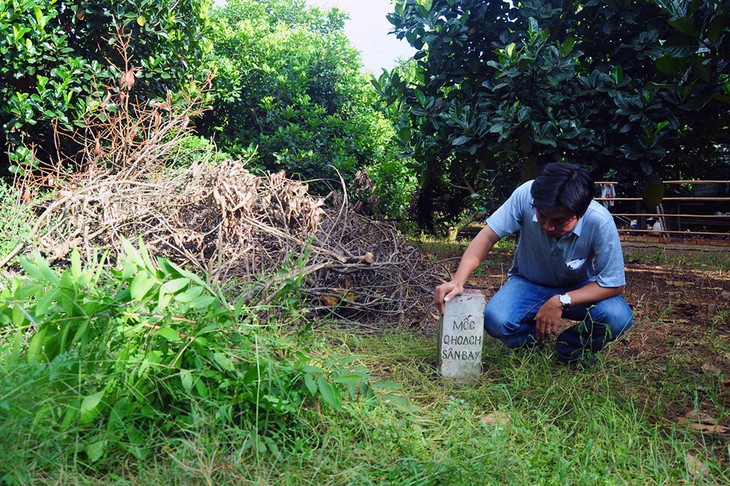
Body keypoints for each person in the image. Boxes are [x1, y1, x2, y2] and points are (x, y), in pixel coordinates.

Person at [435, 162, 633, 366]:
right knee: (497, 319)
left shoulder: (600, 221)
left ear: (579, 213)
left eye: (559, 221)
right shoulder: (525, 195)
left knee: (618, 316)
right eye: (542, 216)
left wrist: (561, 300)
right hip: (529, 282)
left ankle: (570, 348)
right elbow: (487, 237)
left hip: (580, 290)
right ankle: (532, 345)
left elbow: (613, 283)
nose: (548, 226)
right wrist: (458, 281)